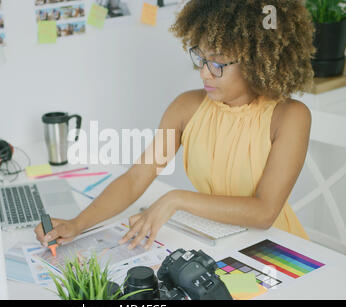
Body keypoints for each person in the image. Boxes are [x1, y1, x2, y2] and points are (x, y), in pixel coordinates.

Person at [35, 0, 316, 250]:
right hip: (217, 241)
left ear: (256, 61)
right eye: (201, 58)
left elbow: (264, 212)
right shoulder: (187, 107)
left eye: (217, 63)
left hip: (277, 247)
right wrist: (78, 223)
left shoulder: (289, 116)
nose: (204, 72)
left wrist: (175, 199)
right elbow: (136, 179)